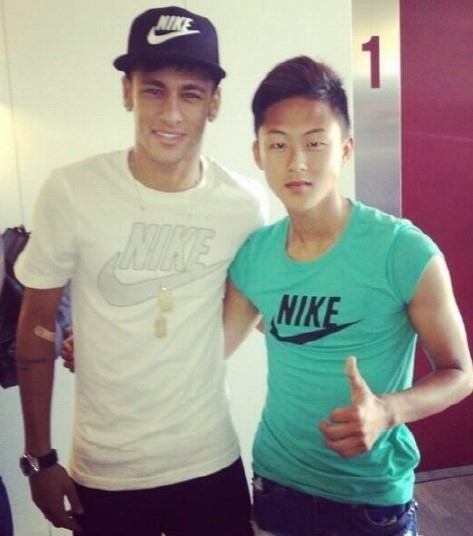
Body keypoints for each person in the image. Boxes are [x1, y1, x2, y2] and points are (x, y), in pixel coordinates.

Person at [14, 6, 268, 536]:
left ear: (214, 103)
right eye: (154, 90)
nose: (170, 113)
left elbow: (252, 305)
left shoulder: (244, 204)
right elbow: (35, 323)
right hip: (106, 471)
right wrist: (40, 458)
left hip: (209, 462)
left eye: (190, 94)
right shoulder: (72, 190)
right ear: (127, 92)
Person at [224, 56, 473, 536]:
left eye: (315, 143)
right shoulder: (255, 256)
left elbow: (460, 373)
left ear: (345, 149)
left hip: (371, 501)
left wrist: (387, 411)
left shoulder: (403, 250)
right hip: (277, 487)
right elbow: (208, 347)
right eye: (279, 144)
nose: (297, 162)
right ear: (258, 152)